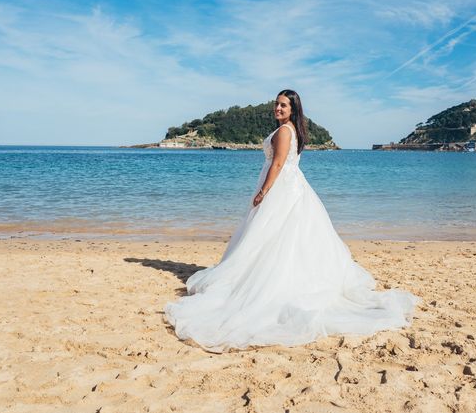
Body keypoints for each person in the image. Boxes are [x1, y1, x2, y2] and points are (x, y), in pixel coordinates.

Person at [164, 89, 420, 353]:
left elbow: (277, 165)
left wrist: (263, 192)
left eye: (283, 105)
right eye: (276, 104)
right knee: (277, 239)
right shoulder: (290, 130)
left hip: (281, 190)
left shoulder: (285, 131)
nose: (277, 108)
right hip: (291, 188)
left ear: (293, 110)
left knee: (272, 237)